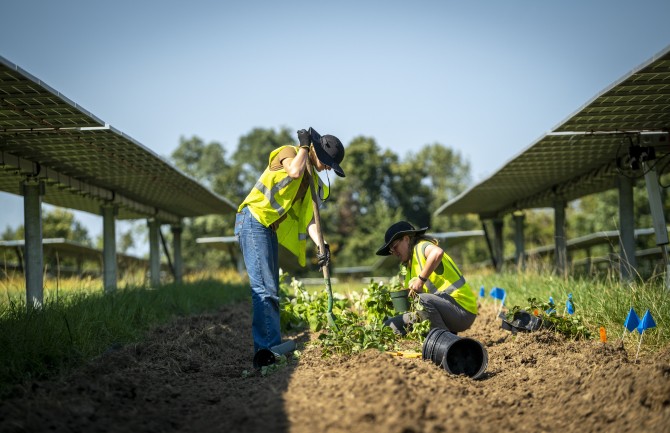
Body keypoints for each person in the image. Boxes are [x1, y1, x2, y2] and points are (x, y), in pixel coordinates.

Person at [234, 128, 345, 359]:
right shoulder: (288, 152)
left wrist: (321, 245)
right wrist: (304, 146)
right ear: (316, 151)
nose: (326, 168)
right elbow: (294, 171)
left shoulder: (312, 181)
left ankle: (270, 347)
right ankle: (266, 351)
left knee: (272, 289)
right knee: (265, 289)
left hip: (268, 228)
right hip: (253, 220)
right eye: (326, 163)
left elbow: (310, 220)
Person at [376, 221, 478, 335]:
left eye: (395, 247)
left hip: (462, 310)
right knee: (390, 326)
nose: (394, 253)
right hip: (443, 311)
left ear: (406, 239)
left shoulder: (421, 247)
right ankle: (440, 339)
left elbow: (437, 253)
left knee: (422, 299)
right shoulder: (409, 266)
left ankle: (446, 342)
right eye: (391, 250)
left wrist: (420, 280)